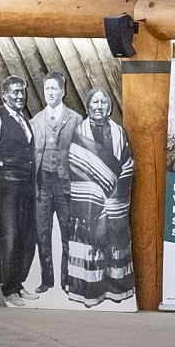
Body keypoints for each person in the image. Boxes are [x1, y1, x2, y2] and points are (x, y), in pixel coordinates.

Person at [61, 89, 135, 307]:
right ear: (88, 106)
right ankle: (89, 291)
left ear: (109, 107)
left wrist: (114, 191)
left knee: (115, 239)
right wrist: (97, 191)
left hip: (115, 199)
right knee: (90, 241)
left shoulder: (119, 132)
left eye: (104, 101)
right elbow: (74, 166)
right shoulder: (79, 132)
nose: (100, 106)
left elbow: (128, 163)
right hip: (89, 201)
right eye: (95, 101)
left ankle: (116, 290)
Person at [0, 75, 39, 307]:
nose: (19, 96)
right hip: (7, 189)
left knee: (26, 237)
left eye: (22, 92)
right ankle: (8, 290)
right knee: (11, 238)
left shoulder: (24, 119)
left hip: (26, 188)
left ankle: (18, 284)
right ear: (4, 95)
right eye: (14, 92)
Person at [30, 72, 83, 295]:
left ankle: (67, 280)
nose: (50, 93)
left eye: (54, 89)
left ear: (63, 91)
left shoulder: (75, 119)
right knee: (42, 234)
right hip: (42, 185)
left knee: (68, 234)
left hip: (65, 186)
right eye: (47, 89)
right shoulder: (35, 120)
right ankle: (47, 280)